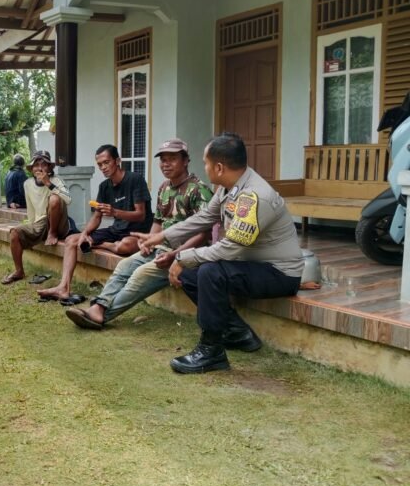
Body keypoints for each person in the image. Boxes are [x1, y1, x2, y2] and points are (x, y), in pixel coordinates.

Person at [134, 132, 303, 374]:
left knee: (211, 272)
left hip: (279, 273)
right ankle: (237, 332)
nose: (205, 167)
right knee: (191, 275)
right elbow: (203, 218)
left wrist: (182, 257)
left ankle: (211, 350)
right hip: (252, 266)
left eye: (206, 163)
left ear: (220, 167)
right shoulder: (229, 188)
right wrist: (159, 237)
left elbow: (230, 247)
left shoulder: (253, 197)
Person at [65, 139, 213, 329]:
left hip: (184, 254)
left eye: (172, 159)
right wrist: (149, 243)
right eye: (163, 160)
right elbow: (158, 222)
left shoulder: (199, 190)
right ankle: (99, 306)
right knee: (124, 266)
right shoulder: (164, 188)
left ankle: (99, 314)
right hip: (161, 248)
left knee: (139, 276)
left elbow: (204, 233)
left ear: (185, 161)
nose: (166, 164)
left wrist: (175, 255)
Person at [38, 144, 153, 302]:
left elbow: (141, 215)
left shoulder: (135, 179)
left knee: (123, 246)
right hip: (116, 230)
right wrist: (85, 234)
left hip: (137, 232)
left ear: (117, 161)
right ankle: (63, 288)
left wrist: (115, 212)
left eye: (107, 162)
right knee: (72, 240)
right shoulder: (104, 186)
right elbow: (97, 217)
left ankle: (99, 244)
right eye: (100, 164)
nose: (103, 167)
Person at [0, 150, 71, 285]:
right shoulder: (27, 184)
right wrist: (31, 228)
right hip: (40, 224)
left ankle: (52, 233)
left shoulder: (56, 180)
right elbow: (31, 208)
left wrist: (48, 183)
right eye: (36, 165)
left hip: (58, 223)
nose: (39, 168)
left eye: (43, 164)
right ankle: (19, 271)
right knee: (15, 233)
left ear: (49, 168)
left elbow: (68, 200)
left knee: (55, 199)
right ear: (32, 169)